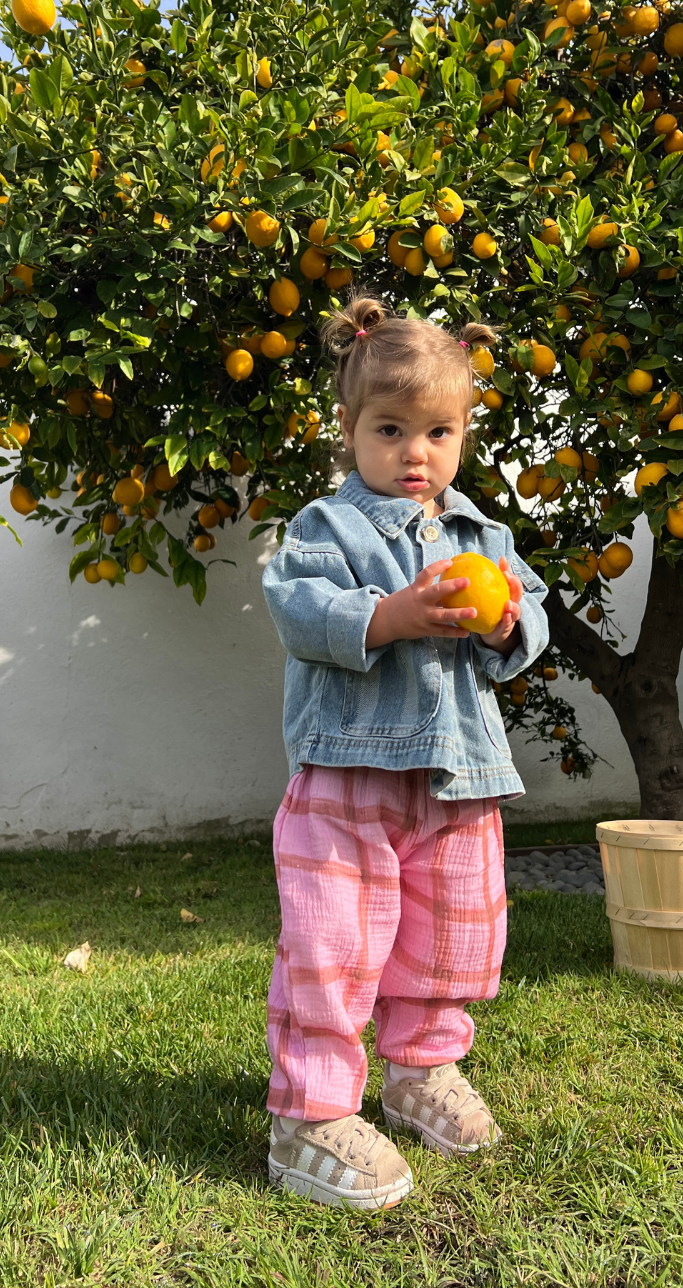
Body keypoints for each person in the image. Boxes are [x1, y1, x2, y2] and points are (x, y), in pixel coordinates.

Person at [261, 294, 550, 1210]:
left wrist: (506, 618)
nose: (415, 453)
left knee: (447, 940)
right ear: (349, 430)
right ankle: (309, 1116)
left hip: (458, 777)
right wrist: (393, 615)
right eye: (391, 430)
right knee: (334, 947)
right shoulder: (326, 528)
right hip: (350, 775)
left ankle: (421, 1070)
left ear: (464, 433)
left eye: (438, 431)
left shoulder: (486, 539)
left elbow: (530, 623)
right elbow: (299, 612)